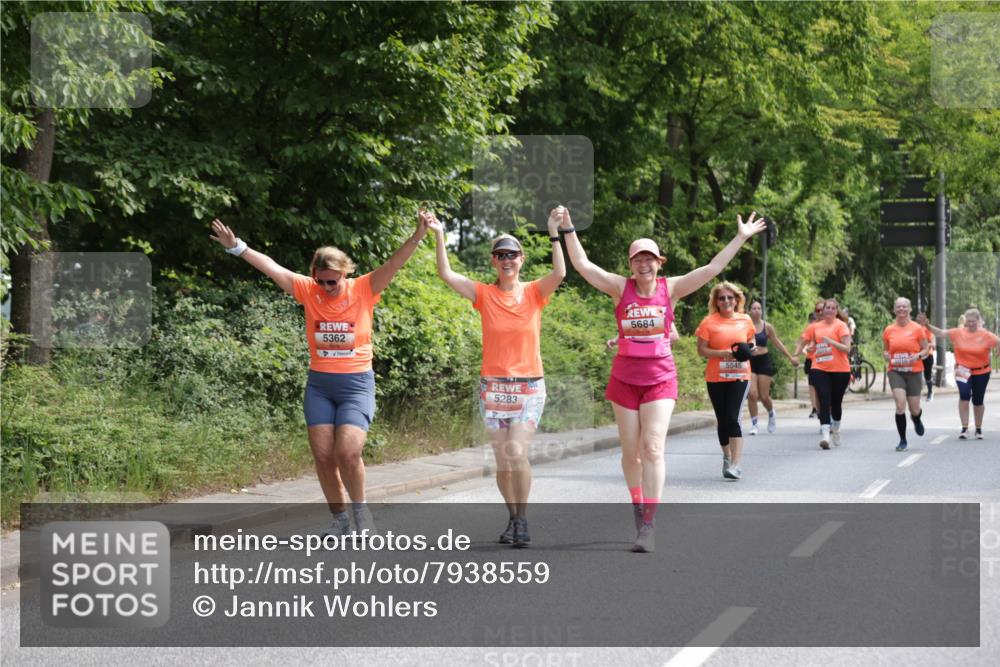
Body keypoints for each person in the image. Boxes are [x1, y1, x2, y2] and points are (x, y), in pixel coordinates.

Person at [209, 214, 430, 537]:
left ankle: (360, 511)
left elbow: (394, 264)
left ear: (345, 274)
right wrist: (237, 248)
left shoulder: (364, 289)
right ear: (314, 276)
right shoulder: (307, 289)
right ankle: (339, 521)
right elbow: (272, 268)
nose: (327, 288)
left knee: (348, 451)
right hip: (320, 386)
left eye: (333, 281)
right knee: (324, 456)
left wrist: (417, 235)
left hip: (356, 385)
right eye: (322, 281)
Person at [561, 209, 765, 552]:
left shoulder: (671, 289)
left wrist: (741, 237)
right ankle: (638, 508)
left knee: (652, 446)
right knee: (630, 454)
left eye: (650, 258)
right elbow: (582, 265)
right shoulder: (618, 287)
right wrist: (566, 228)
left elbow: (712, 269)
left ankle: (650, 525)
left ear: (659, 263)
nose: (644, 263)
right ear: (631, 264)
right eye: (638, 258)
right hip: (625, 378)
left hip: (660, 377)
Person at [426, 208, 565, 547]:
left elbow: (560, 272)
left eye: (512, 254)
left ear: (521, 259)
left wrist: (554, 232)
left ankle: (523, 519)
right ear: (493, 261)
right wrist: (440, 234)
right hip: (493, 388)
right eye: (501, 255)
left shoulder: (534, 292)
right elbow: (445, 273)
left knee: (517, 452)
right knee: (503, 460)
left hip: (529, 386)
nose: (507, 260)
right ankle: (513, 518)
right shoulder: (483, 295)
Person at [695, 283, 756, 480]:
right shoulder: (708, 322)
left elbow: (751, 341)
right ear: (716, 302)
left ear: (737, 300)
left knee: (733, 418)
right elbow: (701, 350)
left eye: (730, 297)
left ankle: (737, 465)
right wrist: (723, 353)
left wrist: (749, 349)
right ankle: (727, 456)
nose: (727, 301)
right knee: (722, 421)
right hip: (716, 376)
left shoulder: (745, 320)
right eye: (722, 298)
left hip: (740, 375)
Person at [919, 308, 999, 439]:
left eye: (973, 321)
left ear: (978, 321)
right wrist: (927, 325)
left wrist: (998, 351)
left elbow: (998, 341)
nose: (971, 324)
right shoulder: (958, 332)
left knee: (978, 401)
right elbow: (940, 333)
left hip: (982, 371)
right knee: (964, 395)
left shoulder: (985, 335)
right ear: (965, 321)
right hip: (963, 370)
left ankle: (978, 429)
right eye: (969, 321)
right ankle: (964, 428)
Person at [793, 298, 852, 449]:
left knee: (836, 402)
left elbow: (847, 349)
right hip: (819, 367)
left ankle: (836, 429)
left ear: (836, 311)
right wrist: (796, 354)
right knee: (824, 400)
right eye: (827, 308)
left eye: (833, 308)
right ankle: (825, 435)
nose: (830, 310)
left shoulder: (841, 326)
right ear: (823, 310)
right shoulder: (815, 327)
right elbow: (803, 341)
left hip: (840, 369)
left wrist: (831, 342)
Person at [882, 297, 929, 452]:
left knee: (914, 408)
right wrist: (886, 355)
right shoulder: (889, 329)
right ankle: (902, 440)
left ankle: (916, 419)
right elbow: (885, 350)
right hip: (896, 371)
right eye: (898, 307)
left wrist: (918, 355)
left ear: (909, 310)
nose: (901, 309)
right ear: (894, 310)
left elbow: (925, 348)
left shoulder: (917, 328)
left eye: (904, 307)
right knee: (900, 404)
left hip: (914, 371)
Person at [746, 300, 798, 434]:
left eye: (759, 308)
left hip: (764, 361)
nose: (757, 310)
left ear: (761, 311)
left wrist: (790, 357)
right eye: (754, 308)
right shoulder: (745, 326)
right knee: (752, 394)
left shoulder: (767, 327)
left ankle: (771, 413)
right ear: (749, 311)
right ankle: (754, 424)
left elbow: (777, 342)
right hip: (750, 361)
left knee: (764, 396)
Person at [804, 303, 824, 419]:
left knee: (823, 387)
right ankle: (815, 408)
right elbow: (804, 341)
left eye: (822, 309)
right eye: (818, 310)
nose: (820, 312)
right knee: (812, 385)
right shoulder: (812, 327)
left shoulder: (834, 325)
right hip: (811, 359)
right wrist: (797, 353)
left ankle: (824, 409)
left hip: (826, 362)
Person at [917, 313, 936, 401]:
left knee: (927, 376)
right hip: (918, 355)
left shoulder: (928, 330)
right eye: (918, 318)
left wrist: (925, 344)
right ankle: (917, 394)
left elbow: (933, 344)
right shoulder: (915, 329)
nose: (919, 319)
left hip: (928, 355)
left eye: (921, 318)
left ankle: (930, 392)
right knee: (917, 375)